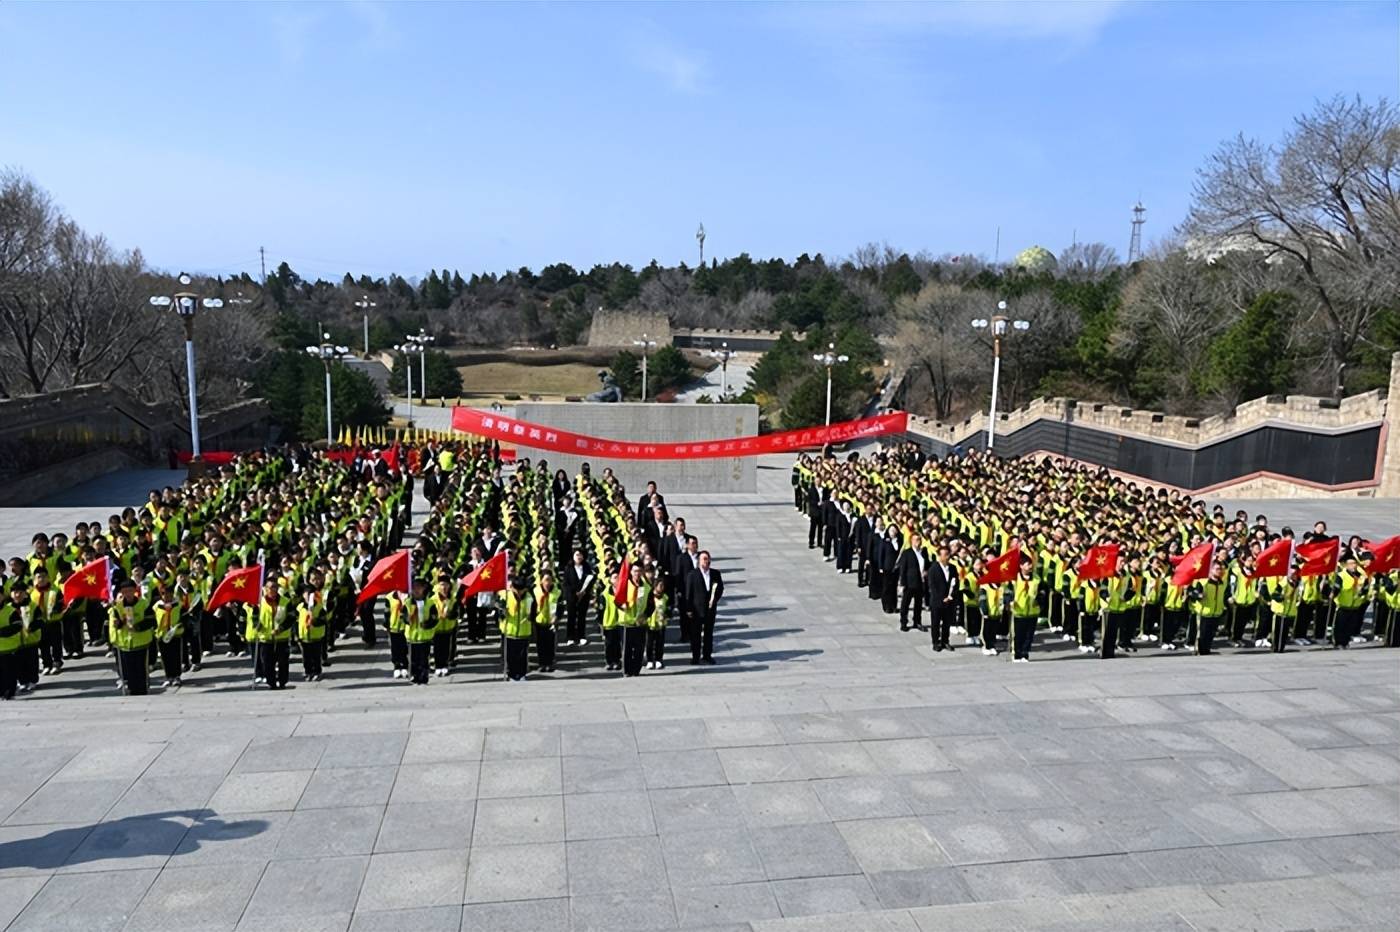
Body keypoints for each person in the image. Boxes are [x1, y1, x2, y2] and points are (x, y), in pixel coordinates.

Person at [109, 577, 155, 695]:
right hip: (124, 643)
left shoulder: (143, 604)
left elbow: (152, 621)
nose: (127, 594)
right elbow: (116, 623)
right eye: (124, 591)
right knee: (128, 670)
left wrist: (138, 627)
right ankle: (131, 689)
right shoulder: (117, 606)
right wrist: (117, 623)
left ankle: (143, 689)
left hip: (141, 642)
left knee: (140, 668)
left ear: (135, 590)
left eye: (130, 590)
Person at [684, 550, 723, 665]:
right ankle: (695, 656)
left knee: (708, 633)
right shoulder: (692, 575)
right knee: (696, 634)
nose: (706, 561)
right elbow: (688, 593)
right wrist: (689, 609)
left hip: (710, 609)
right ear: (699, 561)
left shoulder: (715, 574)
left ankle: (707, 655)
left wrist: (714, 599)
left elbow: (720, 588)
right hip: (696, 610)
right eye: (704, 559)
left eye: (708, 558)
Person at [500, 577, 534, 682]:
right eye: (516, 590)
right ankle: (511, 674)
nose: (519, 592)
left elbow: (534, 612)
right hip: (510, 631)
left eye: (521, 590)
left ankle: (522, 674)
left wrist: (531, 616)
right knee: (510, 656)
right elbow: (498, 613)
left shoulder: (529, 598)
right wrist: (502, 613)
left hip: (524, 631)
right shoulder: (505, 597)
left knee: (522, 655)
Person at [404, 579, 436, 685]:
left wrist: (428, 624)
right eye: (414, 587)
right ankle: (414, 675)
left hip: (424, 636)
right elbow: (402, 617)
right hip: (412, 636)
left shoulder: (430, 603)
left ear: (424, 589)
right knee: (413, 659)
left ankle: (424, 676)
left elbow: (435, 618)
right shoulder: (408, 603)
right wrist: (408, 618)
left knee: (424, 658)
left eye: (419, 587)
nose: (416, 590)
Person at [895, 533, 928, 632]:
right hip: (910, 582)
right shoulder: (907, 553)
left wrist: (927, 571)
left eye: (919, 539)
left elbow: (927, 564)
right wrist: (902, 583)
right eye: (915, 540)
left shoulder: (923, 552)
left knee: (918, 604)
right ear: (911, 541)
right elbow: (903, 568)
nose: (918, 542)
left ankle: (917, 621)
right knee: (905, 603)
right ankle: (903, 622)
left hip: (921, 581)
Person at [152, 584, 184, 688]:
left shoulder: (178, 604)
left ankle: (177, 676)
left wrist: (180, 625)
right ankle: (168, 676)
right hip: (162, 635)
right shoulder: (157, 606)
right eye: (164, 594)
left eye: (169, 594)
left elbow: (184, 617)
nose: (167, 596)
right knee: (165, 657)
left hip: (175, 634)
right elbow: (154, 620)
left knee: (176, 655)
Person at [926, 546, 957, 651]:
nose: (947, 557)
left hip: (949, 601)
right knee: (935, 622)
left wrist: (951, 596)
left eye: (948, 554)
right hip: (937, 601)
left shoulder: (953, 568)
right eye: (944, 554)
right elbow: (932, 586)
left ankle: (945, 641)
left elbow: (955, 583)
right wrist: (941, 598)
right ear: (939, 556)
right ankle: (935, 641)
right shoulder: (933, 569)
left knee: (946, 622)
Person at [1008, 559, 1039, 662]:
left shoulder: (1036, 579)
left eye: (1031, 564)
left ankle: (1025, 654)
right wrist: (1010, 601)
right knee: (1018, 635)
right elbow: (1008, 592)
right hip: (1018, 611)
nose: (1030, 566)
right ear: (1021, 566)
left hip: (1032, 611)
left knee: (1029, 635)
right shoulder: (1014, 579)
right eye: (1027, 564)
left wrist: (1039, 602)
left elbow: (1042, 592)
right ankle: (1016, 654)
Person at [620, 564, 648, 677]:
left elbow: (651, 604)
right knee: (627, 648)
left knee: (639, 648)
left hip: (640, 622)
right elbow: (617, 600)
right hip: (628, 622)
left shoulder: (646, 587)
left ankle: (636, 669)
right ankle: (627, 670)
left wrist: (645, 615)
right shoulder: (625, 585)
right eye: (635, 571)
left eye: (639, 571)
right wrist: (621, 605)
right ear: (631, 572)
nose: (637, 573)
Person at [562, 550, 593, 647]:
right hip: (572, 596)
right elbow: (566, 583)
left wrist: (584, 592)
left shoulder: (587, 567)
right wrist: (574, 593)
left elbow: (591, 580)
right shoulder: (568, 568)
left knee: (582, 617)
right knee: (571, 616)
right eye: (577, 555)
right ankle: (570, 637)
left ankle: (581, 636)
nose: (579, 557)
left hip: (584, 596)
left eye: (581, 555)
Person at [298, 583, 326, 681]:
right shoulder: (300, 607)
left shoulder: (319, 607)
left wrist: (314, 621)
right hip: (304, 637)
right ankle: (308, 672)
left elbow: (323, 620)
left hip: (316, 637)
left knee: (316, 656)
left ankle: (317, 671)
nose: (308, 596)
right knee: (306, 657)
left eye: (311, 594)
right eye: (306, 594)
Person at [430, 577, 458, 677]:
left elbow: (456, 613)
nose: (444, 587)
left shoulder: (452, 599)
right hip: (437, 628)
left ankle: (445, 665)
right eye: (441, 585)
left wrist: (449, 614)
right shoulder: (433, 599)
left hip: (448, 628)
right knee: (437, 648)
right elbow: (430, 614)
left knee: (446, 648)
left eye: (446, 585)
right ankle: (438, 666)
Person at [534, 572, 559, 673]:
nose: (548, 582)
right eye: (546, 580)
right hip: (539, 622)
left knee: (550, 644)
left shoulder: (557, 592)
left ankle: (549, 663)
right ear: (541, 581)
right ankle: (542, 663)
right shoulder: (536, 591)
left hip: (552, 622)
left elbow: (560, 606)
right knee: (540, 644)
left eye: (549, 580)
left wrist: (557, 617)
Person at [645, 576, 669, 670]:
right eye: (660, 585)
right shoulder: (649, 596)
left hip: (661, 624)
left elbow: (668, 609)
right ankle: (650, 660)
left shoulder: (665, 597)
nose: (662, 587)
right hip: (650, 623)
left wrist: (666, 615)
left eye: (663, 586)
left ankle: (659, 659)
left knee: (660, 643)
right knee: (649, 643)